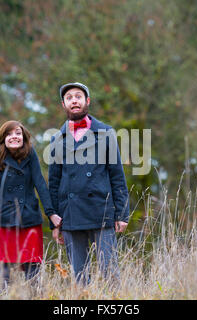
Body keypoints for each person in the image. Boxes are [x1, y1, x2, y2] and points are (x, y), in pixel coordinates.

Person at [48, 82, 130, 286]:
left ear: (87, 101)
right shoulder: (56, 139)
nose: (74, 100)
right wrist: (54, 222)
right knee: (79, 277)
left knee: (110, 274)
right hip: (70, 215)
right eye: (69, 97)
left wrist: (121, 213)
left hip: (101, 211)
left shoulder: (106, 133)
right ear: (63, 104)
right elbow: (54, 183)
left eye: (78, 96)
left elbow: (117, 175)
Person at [0, 120, 62, 290]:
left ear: (23, 136)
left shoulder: (30, 154)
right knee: (5, 271)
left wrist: (51, 214)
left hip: (29, 218)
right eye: (9, 134)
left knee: (33, 269)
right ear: (3, 138)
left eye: (17, 133)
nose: (13, 137)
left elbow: (40, 184)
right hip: (3, 221)